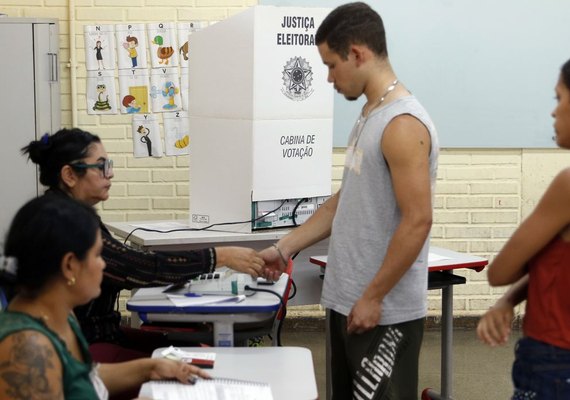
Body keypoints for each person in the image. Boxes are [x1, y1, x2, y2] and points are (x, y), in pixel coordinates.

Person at [261, 3, 439, 399]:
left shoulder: (403, 125)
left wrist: (373, 297)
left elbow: (418, 221)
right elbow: (346, 200)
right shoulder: (370, 115)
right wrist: (284, 247)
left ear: (357, 54)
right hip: (348, 299)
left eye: (331, 65)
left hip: (381, 312)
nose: (327, 78)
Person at [21, 128, 266, 363]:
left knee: (192, 351)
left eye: (110, 165)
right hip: (84, 347)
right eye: (102, 166)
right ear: (70, 175)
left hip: (100, 334)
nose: (111, 174)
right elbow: (136, 268)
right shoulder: (65, 222)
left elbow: (128, 261)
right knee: (192, 363)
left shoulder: (67, 211)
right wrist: (218, 256)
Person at [0, 195, 210, 400]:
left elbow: (82, 379)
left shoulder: (60, 314)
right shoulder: (28, 348)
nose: (102, 264)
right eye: (97, 255)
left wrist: (150, 368)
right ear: (70, 265)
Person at [477, 58, 570, 399]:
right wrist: (511, 299)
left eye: (559, 98)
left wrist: (506, 291)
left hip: (556, 362)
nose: (553, 112)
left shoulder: (567, 185)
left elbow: (500, 270)